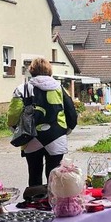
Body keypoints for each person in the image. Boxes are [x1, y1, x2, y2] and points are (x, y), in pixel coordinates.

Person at [7, 57, 78, 187]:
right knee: (55, 177)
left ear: (31, 70)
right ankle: (53, 202)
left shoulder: (22, 89)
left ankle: (34, 202)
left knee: (34, 175)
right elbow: (72, 114)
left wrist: (15, 130)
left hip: (30, 136)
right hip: (57, 136)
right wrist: (66, 130)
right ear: (49, 70)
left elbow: (12, 115)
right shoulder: (60, 89)